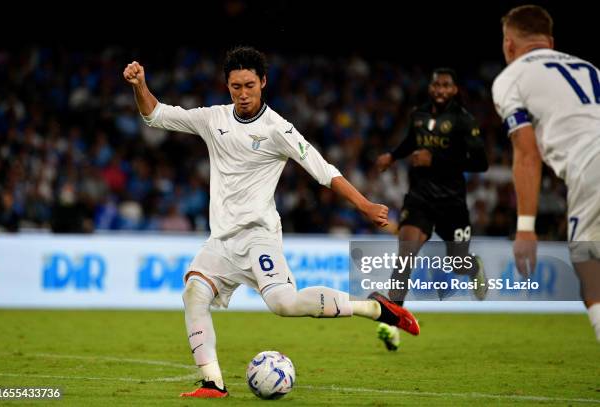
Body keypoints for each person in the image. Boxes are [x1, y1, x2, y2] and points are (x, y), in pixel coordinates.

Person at [123, 46, 421, 398]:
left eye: (250, 85)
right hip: (222, 241)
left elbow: (324, 171)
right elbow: (156, 115)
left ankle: (375, 308)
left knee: (284, 304)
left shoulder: (278, 128)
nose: (243, 93)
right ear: (227, 85)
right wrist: (139, 84)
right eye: (236, 86)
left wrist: (364, 205)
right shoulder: (212, 118)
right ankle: (213, 383)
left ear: (263, 82)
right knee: (193, 292)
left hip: (259, 236)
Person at [492, 5, 600, 342]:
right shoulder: (590, 68)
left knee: (590, 272)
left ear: (509, 45)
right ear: (550, 42)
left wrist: (525, 228)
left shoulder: (511, 77)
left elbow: (527, 152)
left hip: (591, 163)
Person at [374, 68, 489, 351]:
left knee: (458, 264)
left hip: (452, 204)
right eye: (435, 84)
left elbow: (480, 162)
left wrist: (435, 160)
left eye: (445, 85)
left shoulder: (464, 121)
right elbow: (411, 143)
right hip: (420, 199)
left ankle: (474, 268)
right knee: (405, 257)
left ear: (454, 89)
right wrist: (393, 155)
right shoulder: (419, 115)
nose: (439, 89)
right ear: (430, 88)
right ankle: (392, 325)